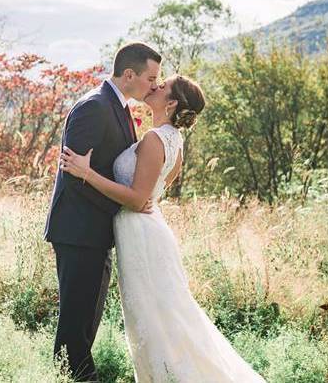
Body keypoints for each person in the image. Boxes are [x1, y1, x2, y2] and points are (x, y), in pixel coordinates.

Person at [60, 75, 267, 382]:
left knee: (155, 315)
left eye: (161, 86)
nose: (154, 87)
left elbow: (137, 198)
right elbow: (156, 190)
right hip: (147, 228)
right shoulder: (174, 142)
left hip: (142, 235)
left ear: (170, 104)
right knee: (161, 314)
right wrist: (143, 199)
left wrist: (87, 173)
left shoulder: (155, 139)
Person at [44, 42, 162, 381]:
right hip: (79, 231)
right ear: (129, 75)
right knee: (75, 324)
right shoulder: (94, 107)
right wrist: (126, 205)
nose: (154, 85)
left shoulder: (119, 106)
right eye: (150, 78)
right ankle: (78, 377)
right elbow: (74, 173)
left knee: (85, 321)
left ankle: (74, 375)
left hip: (97, 231)